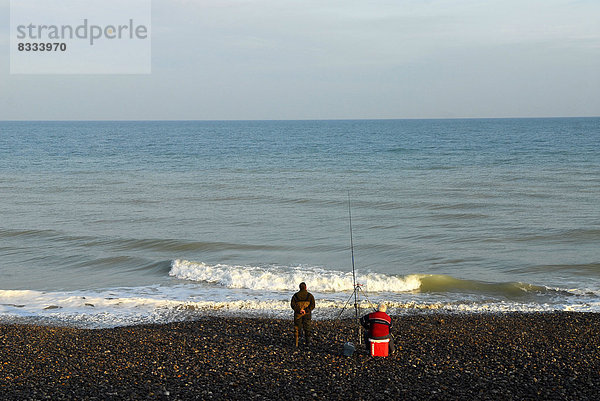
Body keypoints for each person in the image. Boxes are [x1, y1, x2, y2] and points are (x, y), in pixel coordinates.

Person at [290, 282, 315, 347]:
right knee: (307, 328)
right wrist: (306, 310)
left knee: (297, 328)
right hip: (307, 314)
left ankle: (296, 343)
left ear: (299, 288)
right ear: (306, 287)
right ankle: (308, 343)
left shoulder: (295, 295)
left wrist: (299, 310)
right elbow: (312, 305)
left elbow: (292, 305)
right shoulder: (310, 296)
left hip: (298, 315)